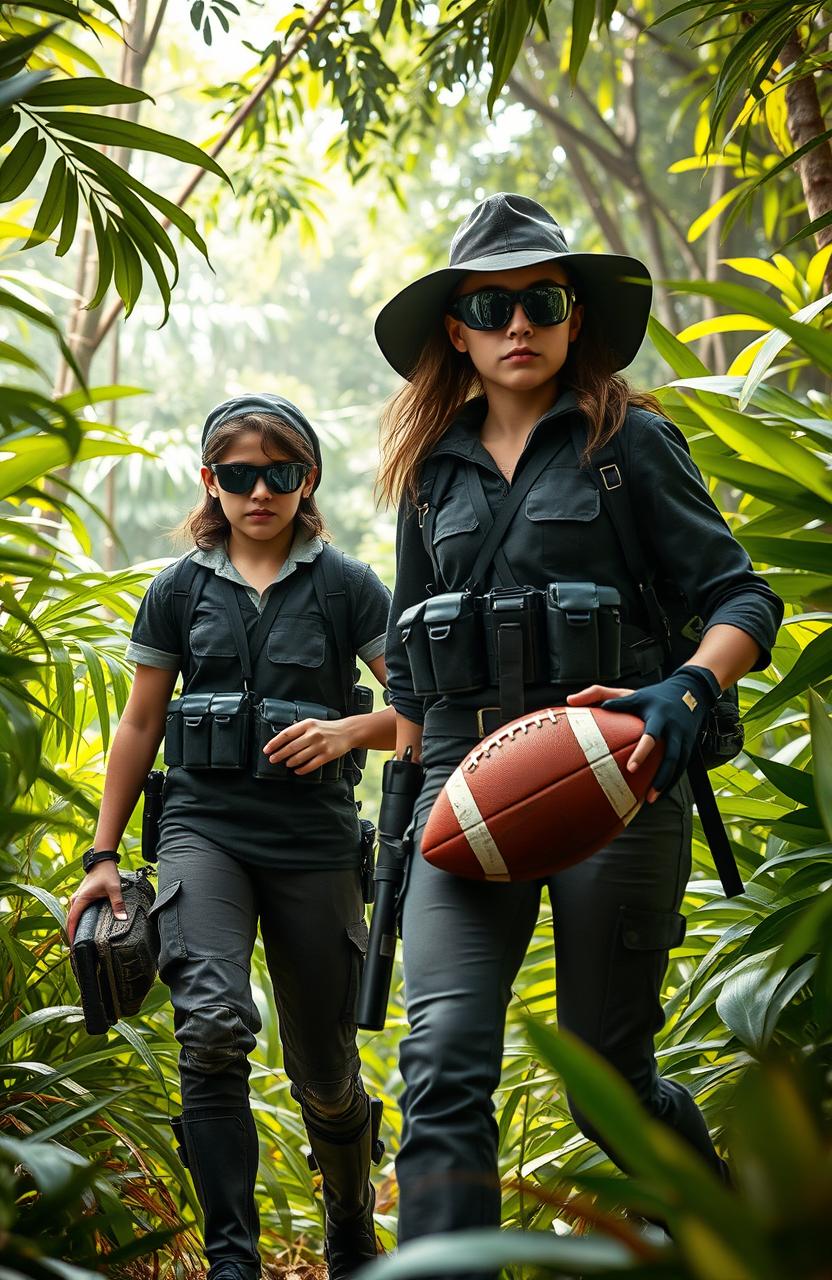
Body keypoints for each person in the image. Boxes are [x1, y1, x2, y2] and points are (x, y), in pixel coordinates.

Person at [374, 193, 783, 1243]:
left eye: (542, 300)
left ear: (574, 318)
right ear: (455, 329)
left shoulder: (627, 444)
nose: (519, 324)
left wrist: (688, 687)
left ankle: (739, 1242)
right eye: (491, 304)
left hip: (619, 781)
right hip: (464, 792)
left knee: (606, 1077)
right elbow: (411, 671)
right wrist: (387, 772)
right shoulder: (427, 477)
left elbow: (742, 598)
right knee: (443, 1061)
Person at [66, 393, 396, 1280]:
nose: (260, 492)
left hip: (315, 842)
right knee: (210, 1029)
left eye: (280, 474)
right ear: (211, 481)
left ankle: (351, 1219)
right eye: (241, 476)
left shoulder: (350, 588)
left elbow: (423, 709)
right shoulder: (176, 590)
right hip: (202, 831)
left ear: (307, 478)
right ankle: (232, 1262)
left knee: (326, 1071)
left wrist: (347, 732)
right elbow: (139, 726)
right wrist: (103, 859)